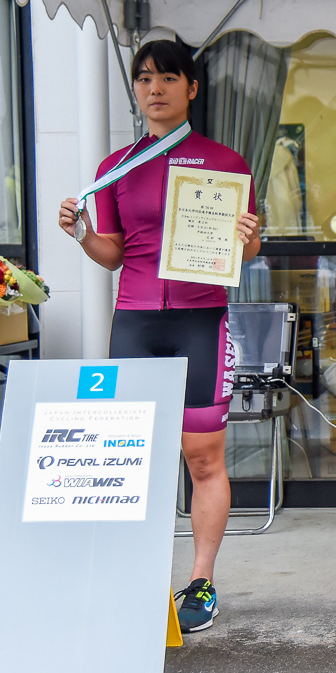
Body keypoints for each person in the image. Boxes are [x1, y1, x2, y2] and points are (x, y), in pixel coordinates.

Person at [58, 40, 261, 633]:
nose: (155, 89)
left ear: (191, 88)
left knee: (202, 457)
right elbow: (113, 254)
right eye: (144, 78)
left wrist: (248, 236)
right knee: (133, 458)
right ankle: (132, 577)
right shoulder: (114, 168)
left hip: (201, 319)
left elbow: (244, 252)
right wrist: (81, 235)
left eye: (168, 78)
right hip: (137, 323)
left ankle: (200, 581)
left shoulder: (225, 162)